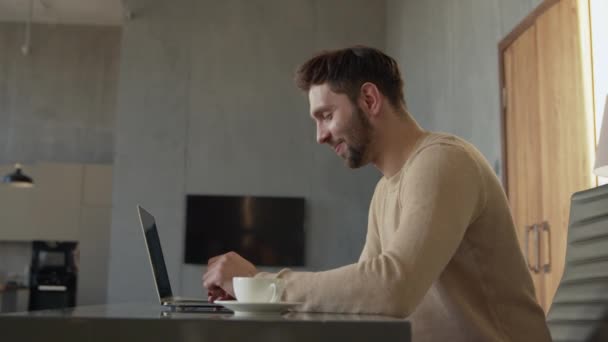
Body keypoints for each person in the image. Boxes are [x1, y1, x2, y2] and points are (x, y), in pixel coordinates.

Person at [202, 46, 551, 341]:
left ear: (369, 99)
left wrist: (259, 286)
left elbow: (392, 288)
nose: (320, 135)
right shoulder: (385, 190)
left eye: (326, 115)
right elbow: (367, 301)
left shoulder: (444, 161)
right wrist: (249, 298)